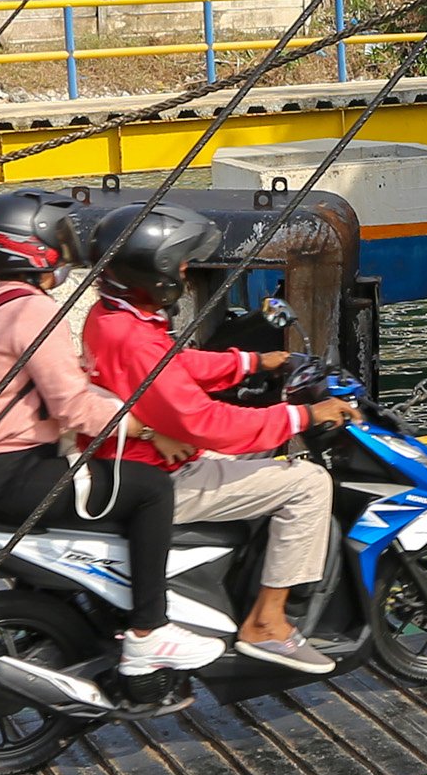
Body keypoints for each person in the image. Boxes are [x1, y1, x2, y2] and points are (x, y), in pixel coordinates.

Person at [79, 201, 357, 671]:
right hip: (157, 474)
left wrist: (249, 362)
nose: (186, 270)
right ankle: (267, 622)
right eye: (179, 262)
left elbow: (172, 366)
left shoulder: (111, 317)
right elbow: (204, 424)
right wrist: (302, 418)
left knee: (264, 455)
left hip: (128, 460)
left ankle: (235, 584)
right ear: (156, 270)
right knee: (308, 484)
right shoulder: (133, 336)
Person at [0, 189, 179, 611]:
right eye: (57, 235)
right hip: (6, 474)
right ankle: (149, 626)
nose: (65, 246)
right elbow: (73, 408)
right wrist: (148, 430)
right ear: (31, 246)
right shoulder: (34, 311)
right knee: (152, 489)